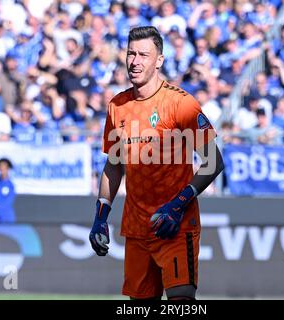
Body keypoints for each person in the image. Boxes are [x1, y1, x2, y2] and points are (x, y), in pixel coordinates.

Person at [89, 26, 224, 300]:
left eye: (143, 55)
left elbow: (213, 161)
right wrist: (101, 216)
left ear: (159, 60)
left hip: (175, 224)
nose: (135, 61)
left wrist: (177, 204)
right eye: (130, 54)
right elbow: (114, 165)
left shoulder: (180, 103)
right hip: (137, 228)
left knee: (181, 301)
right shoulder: (117, 105)